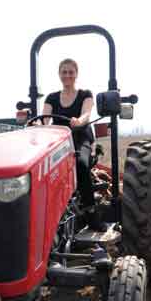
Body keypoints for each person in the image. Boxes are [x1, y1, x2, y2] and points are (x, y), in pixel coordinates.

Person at [42, 58, 107, 231]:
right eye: (64, 72)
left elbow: (86, 113)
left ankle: (90, 212)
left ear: (76, 74)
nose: (67, 75)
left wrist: (79, 120)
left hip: (80, 138)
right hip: (58, 141)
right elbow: (45, 119)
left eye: (71, 72)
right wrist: (37, 125)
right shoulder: (52, 98)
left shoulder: (85, 94)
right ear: (59, 74)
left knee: (80, 163)